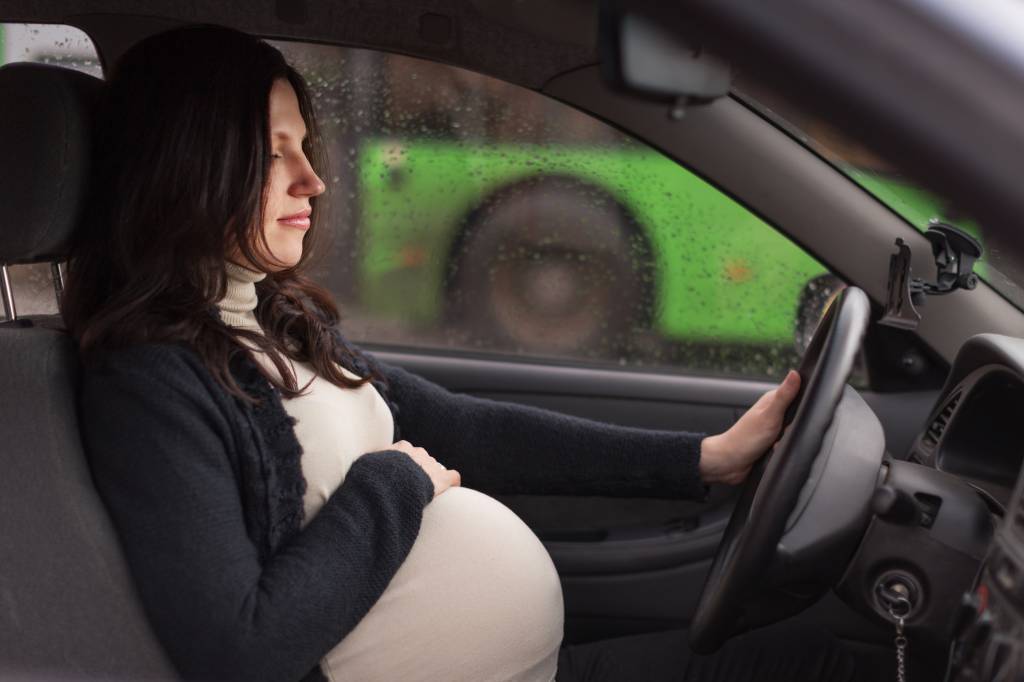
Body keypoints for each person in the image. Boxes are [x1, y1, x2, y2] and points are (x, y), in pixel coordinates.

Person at [64, 24, 875, 682]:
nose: (312, 180)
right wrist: (396, 483)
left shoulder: (268, 318)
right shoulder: (150, 379)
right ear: (187, 166)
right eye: (274, 153)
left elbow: (458, 426)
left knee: (817, 663)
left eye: (305, 146)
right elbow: (241, 651)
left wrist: (704, 458)